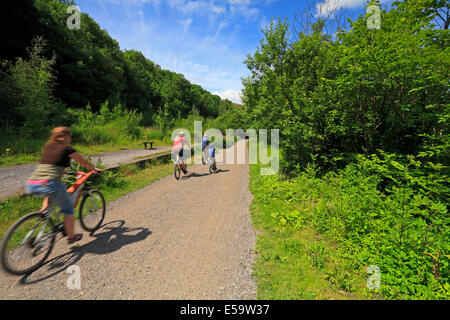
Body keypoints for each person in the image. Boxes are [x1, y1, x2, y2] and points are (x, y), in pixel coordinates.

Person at [26, 127, 99, 244]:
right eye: (70, 136)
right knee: (69, 210)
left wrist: (65, 172)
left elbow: (52, 165)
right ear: (65, 137)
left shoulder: (48, 146)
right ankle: (71, 236)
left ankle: (43, 214)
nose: (70, 139)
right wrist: (93, 169)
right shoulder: (67, 149)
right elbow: (83, 162)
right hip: (50, 184)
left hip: (33, 183)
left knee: (55, 192)